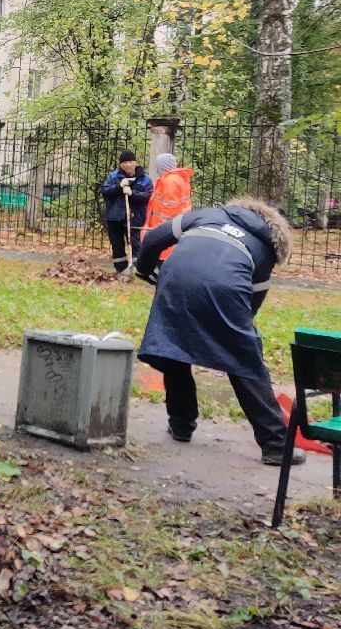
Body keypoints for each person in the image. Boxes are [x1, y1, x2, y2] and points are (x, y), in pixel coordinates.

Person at [133, 197, 304, 466]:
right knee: (245, 361)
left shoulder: (207, 215)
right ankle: (276, 446)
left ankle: (181, 425)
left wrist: (145, 271)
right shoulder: (266, 247)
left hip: (175, 279)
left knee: (175, 344)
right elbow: (250, 306)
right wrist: (236, 338)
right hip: (225, 288)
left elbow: (154, 238)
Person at [101, 150, 153, 274]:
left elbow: (148, 196)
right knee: (117, 246)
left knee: (136, 245)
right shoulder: (113, 177)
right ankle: (122, 270)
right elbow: (106, 192)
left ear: (135, 162)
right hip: (115, 217)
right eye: (124, 162)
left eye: (130, 162)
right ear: (120, 164)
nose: (128, 165)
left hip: (135, 218)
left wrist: (132, 193)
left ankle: (138, 270)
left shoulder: (145, 179)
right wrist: (119, 187)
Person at [142, 152, 192, 263]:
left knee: (163, 259)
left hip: (166, 228)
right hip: (175, 226)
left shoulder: (170, 181)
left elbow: (169, 208)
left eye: (157, 166)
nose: (156, 169)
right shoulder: (179, 178)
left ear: (162, 166)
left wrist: (159, 229)